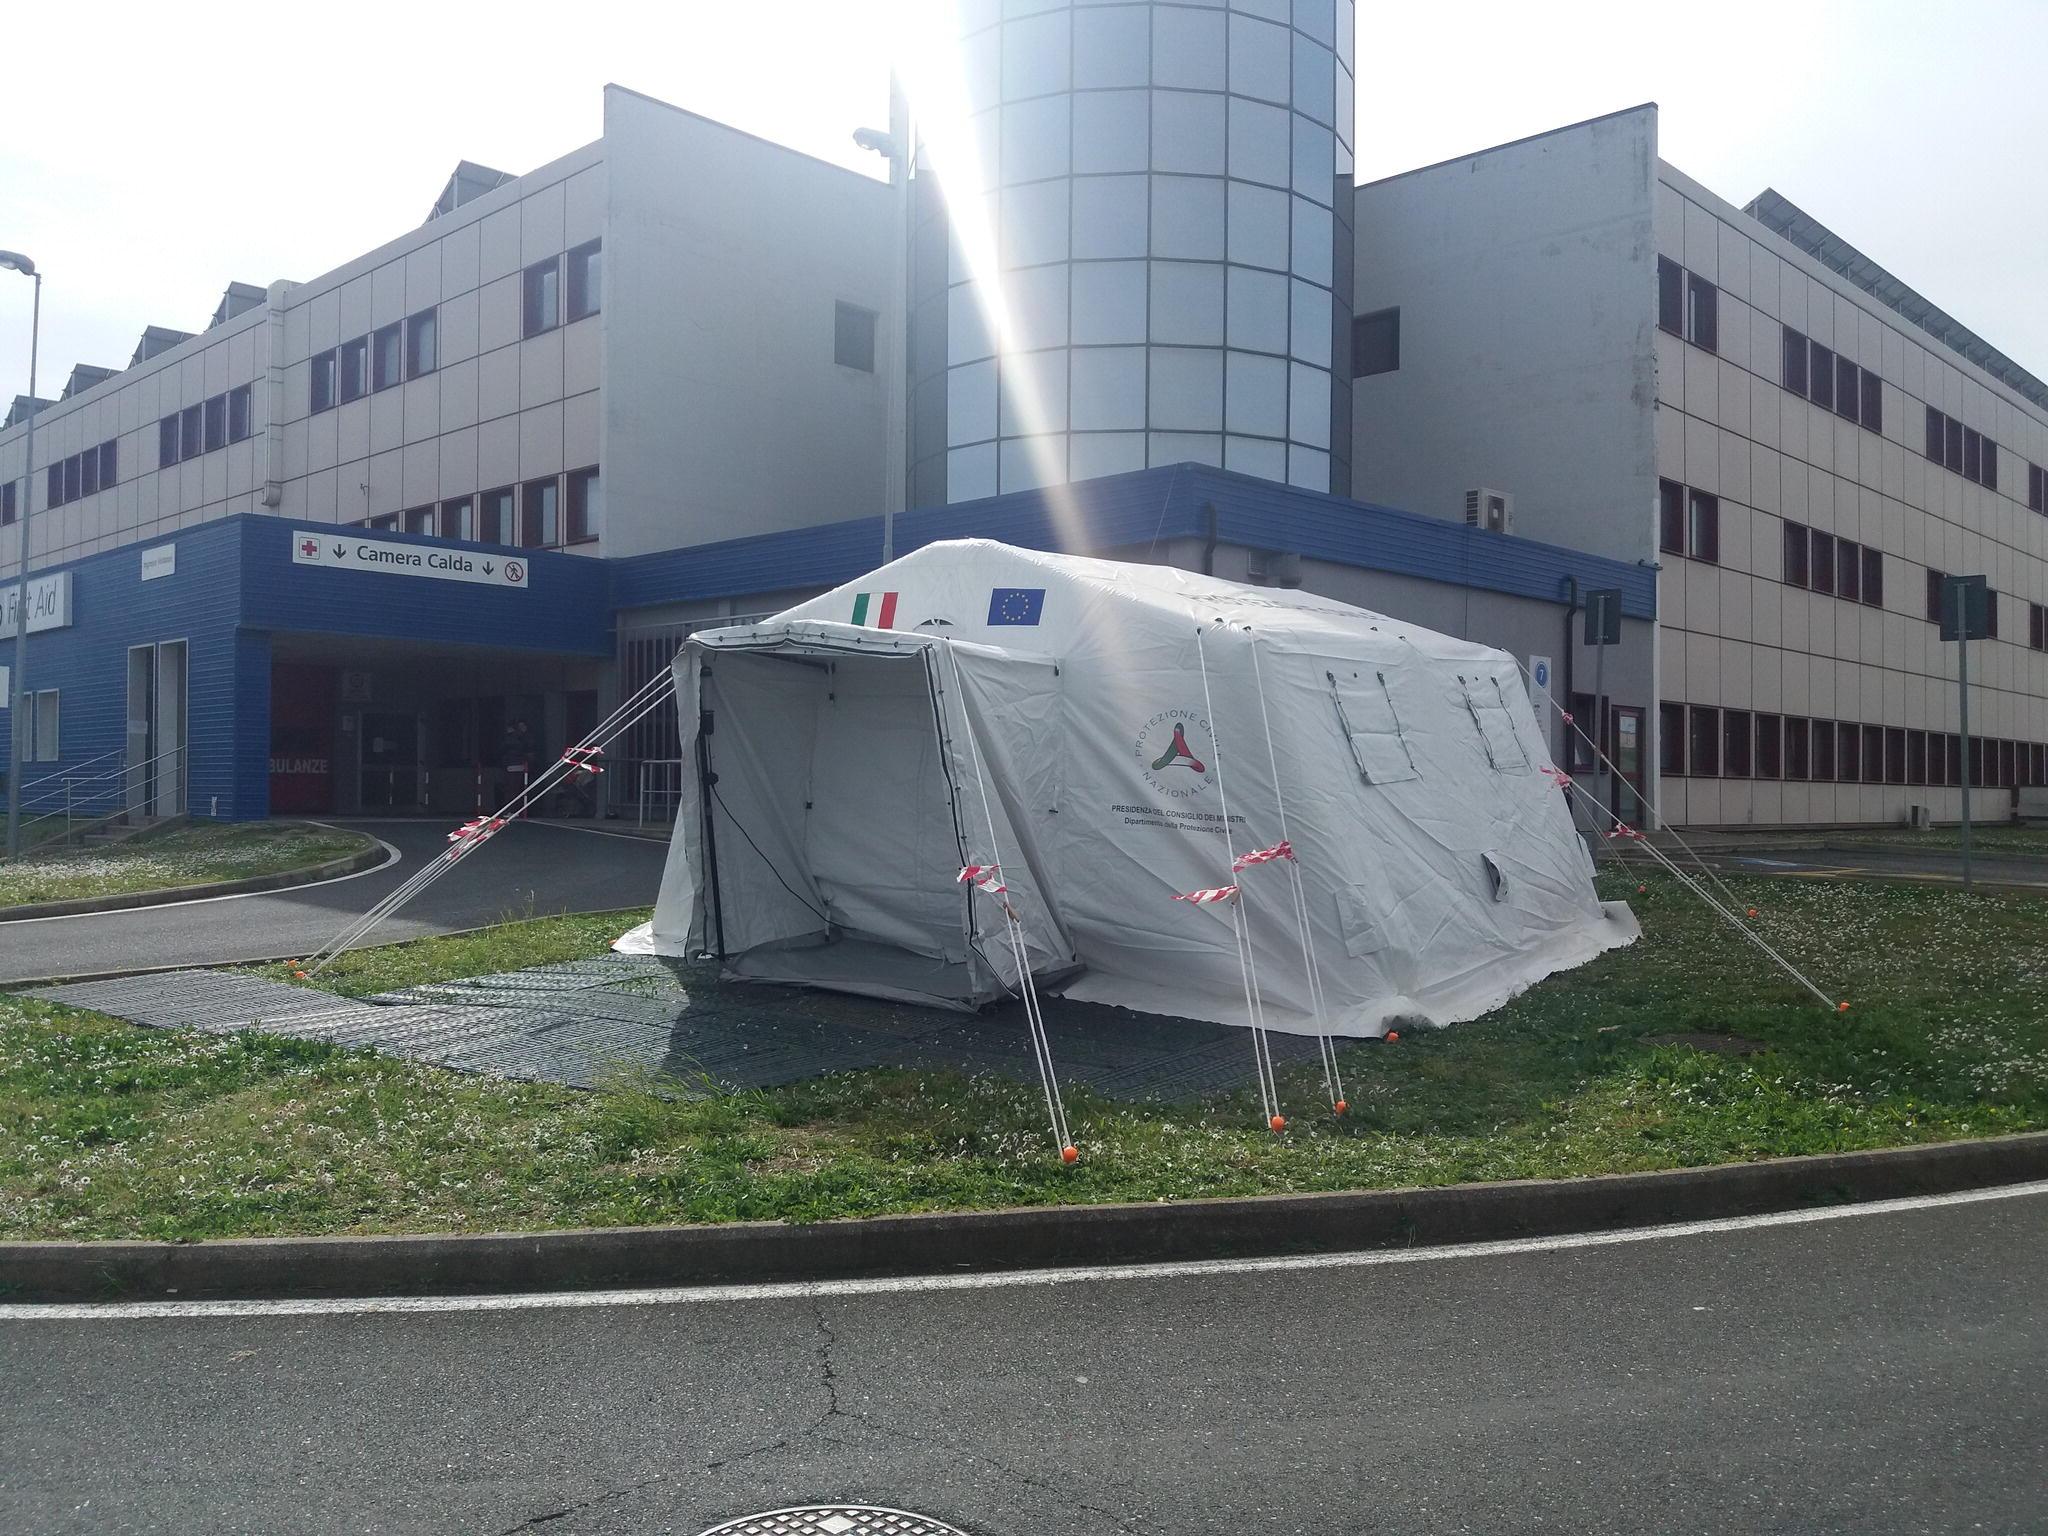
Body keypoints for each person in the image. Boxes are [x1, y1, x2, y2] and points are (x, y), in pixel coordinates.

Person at [499, 718, 536, 811]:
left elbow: (502, 750)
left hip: (514, 764)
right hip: (518, 765)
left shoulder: (513, 738)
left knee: (512, 789)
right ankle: (516, 810)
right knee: (516, 789)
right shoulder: (523, 738)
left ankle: (513, 810)